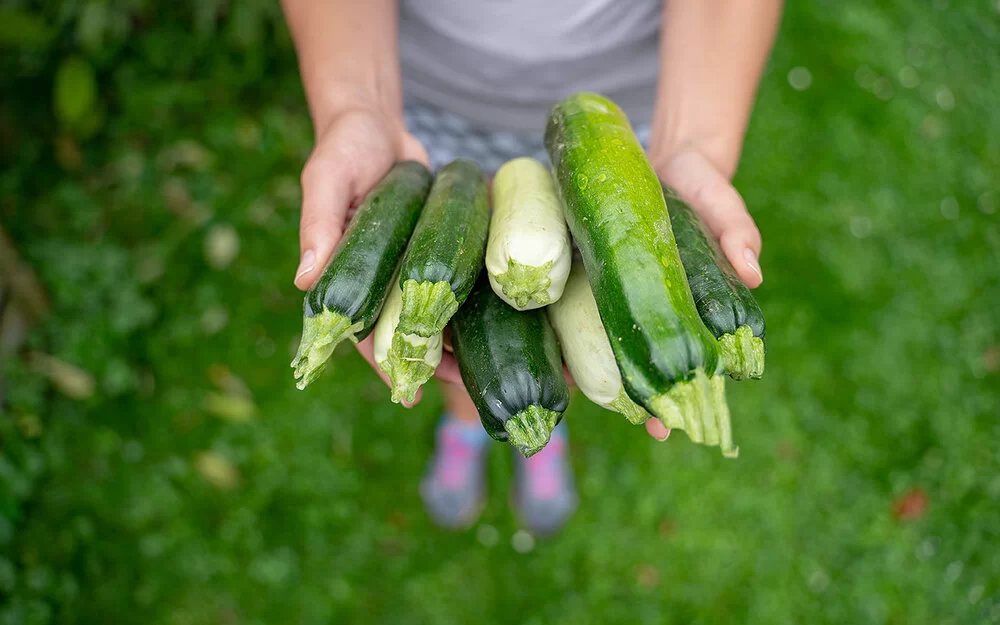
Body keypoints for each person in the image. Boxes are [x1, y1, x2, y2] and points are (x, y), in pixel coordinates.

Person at [282, 0, 781, 534]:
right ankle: (466, 419)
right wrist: (359, 107)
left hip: (617, 127)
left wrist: (690, 143)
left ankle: (525, 433)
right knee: (456, 322)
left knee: (529, 318)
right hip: (426, 107)